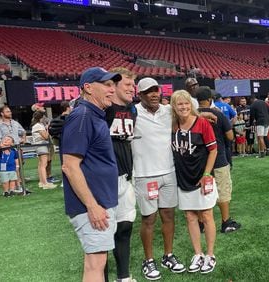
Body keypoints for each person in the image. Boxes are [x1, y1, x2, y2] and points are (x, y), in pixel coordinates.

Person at [61, 67, 122, 282]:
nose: (112, 90)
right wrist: (92, 206)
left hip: (100, 201)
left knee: (97, 262)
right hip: (93, 204)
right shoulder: (83, 116)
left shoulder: (94, 115)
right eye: (106, 84)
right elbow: (69, 166)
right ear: (87, 87)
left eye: (113, 85)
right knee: (96, 265)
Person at [132, 77, 185, 281]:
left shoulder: (167, 111)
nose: (154, 94)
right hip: (144, 175)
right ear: (141, 95)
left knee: (169, 216)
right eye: (149, 91)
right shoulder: (133, 113)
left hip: (168, 172)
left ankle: (168, 255)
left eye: (156, 90)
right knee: (149, 219)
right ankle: (148, 260)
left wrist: (207, 113)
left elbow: (189, 111)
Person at [170, 90, 218, 274]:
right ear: (174, 107)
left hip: (201, 176)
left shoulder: (202, 123)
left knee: (206, 216)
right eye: (179, 104)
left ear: (192, 105)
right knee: (190, 216)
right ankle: (198, 254)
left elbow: (213, 150)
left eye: (186, 103)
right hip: (183, 178)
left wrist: (207, 173)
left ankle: (210, 254)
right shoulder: (172, 125)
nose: (183, 107)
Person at [105, 67, 138, 282]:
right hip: (104, 179)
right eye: (127, 84)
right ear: (113, 85)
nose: (132, 88)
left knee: (125, 226)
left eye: (133, 85)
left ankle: (123, 276)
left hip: (126, 175)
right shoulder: (102, 109)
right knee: (102, 234)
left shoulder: (132, 110)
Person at [196, 86, 241, 233]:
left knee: (201, 191)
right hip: (218, 157)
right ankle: (225, 222)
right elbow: (230, 136)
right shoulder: (218, 113)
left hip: (198, 160)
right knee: (223, 190)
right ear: (210, 99)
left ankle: (201, 223)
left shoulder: (192, 115)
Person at [0, 105, 26, 192]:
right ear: (2, 114)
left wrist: (23, 139)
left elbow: (23, 131)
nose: (10, 113)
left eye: (10, 111)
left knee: (18, 167)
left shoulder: (15, 123)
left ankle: (19, 186)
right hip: (5, 150)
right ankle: (10, 188)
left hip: (17, 148)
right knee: (9, 168)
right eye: (7, 111)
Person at [31, 111, 57, 189]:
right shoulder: (38, 126)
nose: (44, 118)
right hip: (41, 146)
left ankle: (42, 182)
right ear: (41, 117)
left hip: (41, 145)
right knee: (43, 164)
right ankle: (45, 183)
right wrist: (48, 128)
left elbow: (43, 136)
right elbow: (45, 136)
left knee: (41, 164)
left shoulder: (38, 125)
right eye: (44, 117)